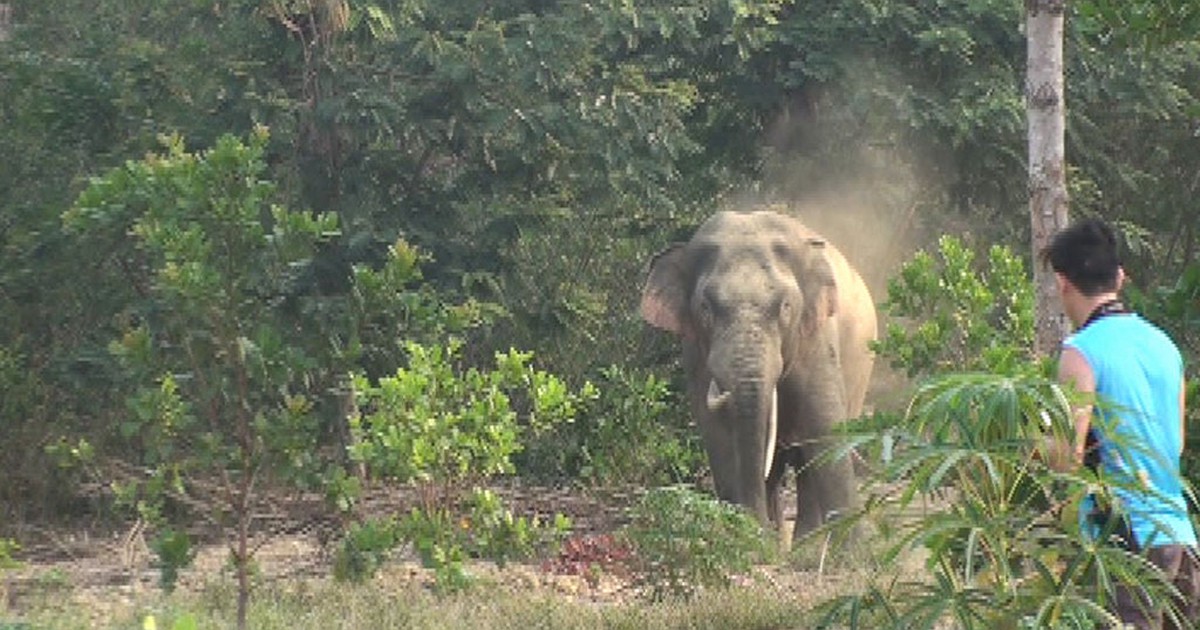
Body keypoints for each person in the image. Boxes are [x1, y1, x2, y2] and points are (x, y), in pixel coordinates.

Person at [1043, 217, 1200, 629]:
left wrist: (1029, 440)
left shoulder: (1080, 352)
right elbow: (1175, 445)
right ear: (1120, 276)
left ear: (1062, 283)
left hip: (1124, 544)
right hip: (1180, 538)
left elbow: (1065, 459)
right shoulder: (1164, 346)